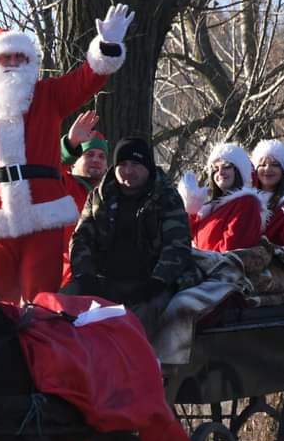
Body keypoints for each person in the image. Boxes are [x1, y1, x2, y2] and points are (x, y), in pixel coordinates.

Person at [0, 4, 135, 304]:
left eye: (19, 57)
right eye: (5, 57)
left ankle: (44, 350)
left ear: (29, 61)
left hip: (43, 212)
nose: (12, 63)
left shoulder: (49, 95)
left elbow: (87, 78)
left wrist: (108, 46)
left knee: (43, 301)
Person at [65, 137, 198, 338]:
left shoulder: (166, 197)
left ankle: (144, 365)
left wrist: (156, 282)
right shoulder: (99, 196)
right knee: (62, 305)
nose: (128, 170)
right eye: (123, 164)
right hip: (106, 280)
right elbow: (81, 238)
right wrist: (85, 276)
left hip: (151, 282)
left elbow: (177, 245)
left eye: (135, 164)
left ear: (147, 167)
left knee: (138, 321)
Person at [178, 142, 264, 253]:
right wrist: (191, 209)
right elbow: (186, 237)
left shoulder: (247, 202)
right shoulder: (211, 208)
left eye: (226, 166)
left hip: (221, 268)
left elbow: (232, 248)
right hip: (203, 266)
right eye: (215, 168)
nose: (220, 172)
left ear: (239, 170)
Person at [61, 110, 109, 194]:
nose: (96, 160)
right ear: (73, 163)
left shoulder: (111, 196)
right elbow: (47, 171)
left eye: (101, 156)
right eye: (89, 155)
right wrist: (70, 145)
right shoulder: (61, 185)